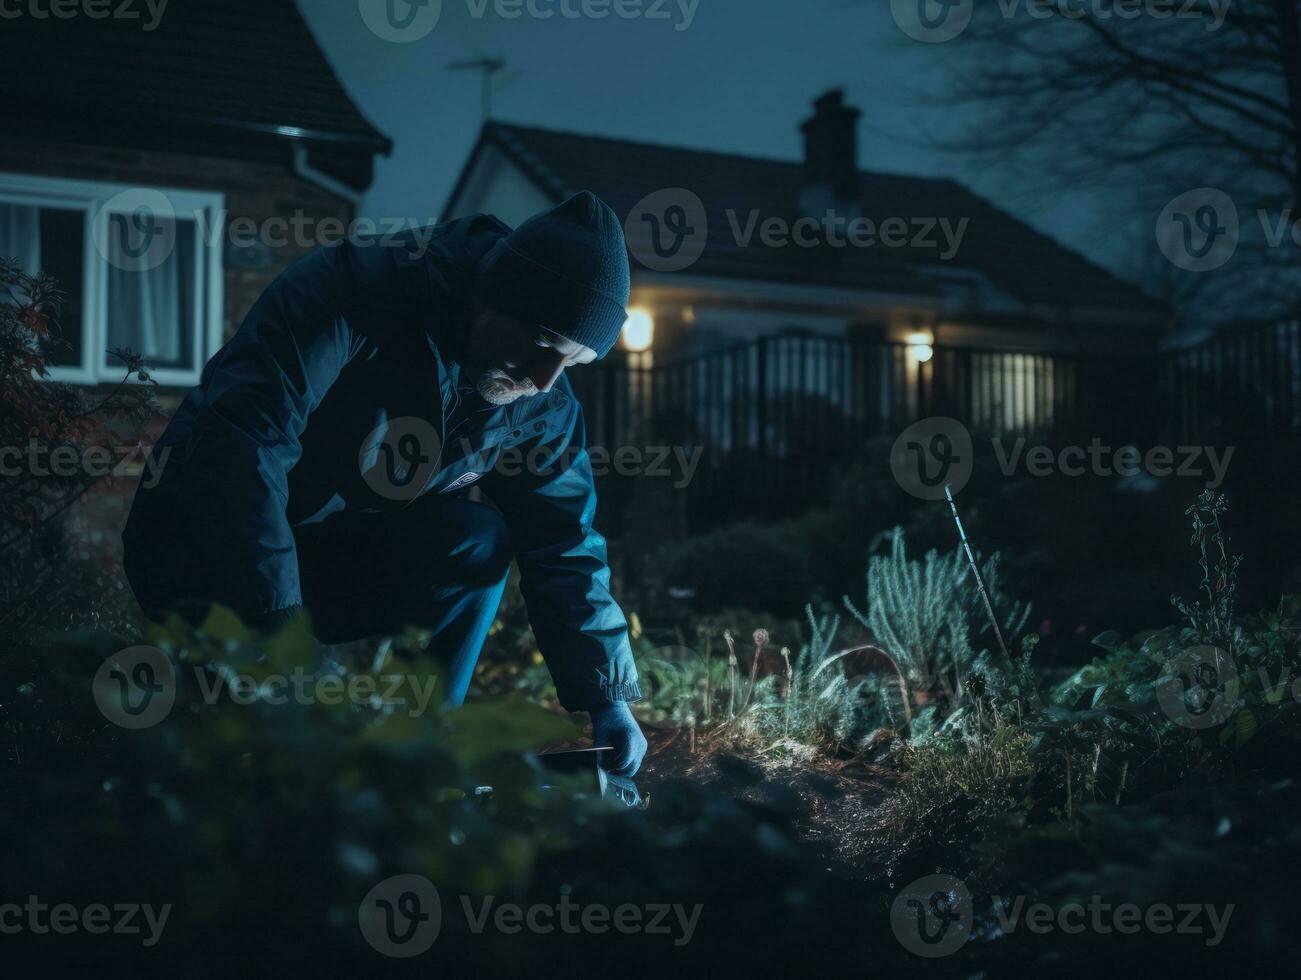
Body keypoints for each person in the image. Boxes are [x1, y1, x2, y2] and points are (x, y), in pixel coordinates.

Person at [121, 191, 648, 776]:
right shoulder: (353, 291)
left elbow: (564, 540)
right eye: (545, 344)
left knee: (475, 541)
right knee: (231, 762)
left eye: (571, 363)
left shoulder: (537, 402)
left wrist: (607, 698)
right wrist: (285, 644)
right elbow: (242, 449)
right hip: (204, 541)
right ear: (493, 297)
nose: (546, 380)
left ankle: (410, 769)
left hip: (330, 551)